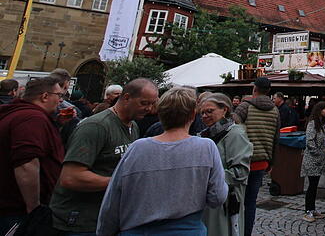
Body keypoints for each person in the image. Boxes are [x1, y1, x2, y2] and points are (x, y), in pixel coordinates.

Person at [96, 87, 228, 235]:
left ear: (160, 113)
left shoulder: (137, 148)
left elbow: (112, 201)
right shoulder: (206, 147)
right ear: (192, 114)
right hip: (187, 230)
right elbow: (217, 197)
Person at [50, 78, 158, 235]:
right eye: (144, 103)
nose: (149, 108)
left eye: (152, 104)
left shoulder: (132, 126)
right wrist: (122, 181)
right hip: (79, 221)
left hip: (106, 219)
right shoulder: (96, 126)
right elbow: (71, 177)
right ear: (126, 97)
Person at [0, 77, 64, 234]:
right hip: (17, 209)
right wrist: (33, 207)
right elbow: (26, 163)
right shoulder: (32, 118)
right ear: (44, 96)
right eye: (59, 95)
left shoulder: (18, 112)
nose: (61, 101)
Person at [200, 92, 253, 236]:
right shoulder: (205, 135)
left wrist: (210, 178)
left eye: (209, 111)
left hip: (227, 201)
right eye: (202, 113)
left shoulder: (235, 134)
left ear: (224, 110)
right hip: (208, 200)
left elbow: (241, 172)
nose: (205, 116)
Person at [232, 77, 279, 236]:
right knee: (251, 203)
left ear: (254, 89)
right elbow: (275, 138)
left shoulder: (245, 107)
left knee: (236, 200)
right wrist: (271, 162)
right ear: (269, 91)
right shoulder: (275, 110)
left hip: (242, 160)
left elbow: (233, 133)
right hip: (262, 161)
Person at [301, 101, 325, 223]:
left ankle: (312, 209)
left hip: (319, 160)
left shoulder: (322, 124)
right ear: (319, 110)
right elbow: (309, 142)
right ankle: (308, 211)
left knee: (314, 186)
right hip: (312, 160)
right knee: (312, 186)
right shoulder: (312, 123)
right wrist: (319, 154)